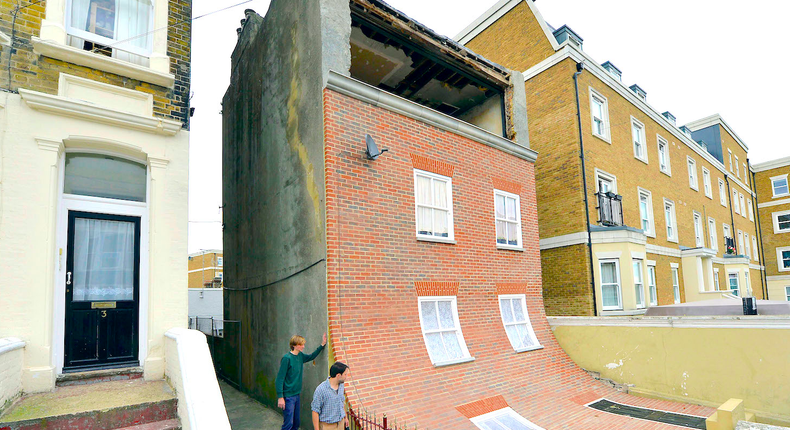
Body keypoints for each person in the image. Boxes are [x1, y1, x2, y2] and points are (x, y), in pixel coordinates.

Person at [275, 333, 327, 430]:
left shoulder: (300, 356)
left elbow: (311, 356)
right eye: (301, 344)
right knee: (288, 424)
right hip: (288, 396)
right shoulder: (287, 358)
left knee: (296, 423)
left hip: (297, 395)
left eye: (303, 344)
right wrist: (280, 397)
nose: (303, 346)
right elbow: (280, 378)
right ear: (294, 345)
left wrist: (322, 345)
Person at [311, 362, 350, 430]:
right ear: (338, 375)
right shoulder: (321, 390)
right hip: (327, 426)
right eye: (345, 374)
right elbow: (315, 411)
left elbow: (342, 402)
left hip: (340, 424)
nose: (346, 377)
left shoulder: (341, 386)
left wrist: (345, 418)